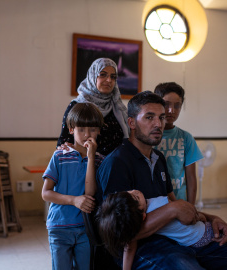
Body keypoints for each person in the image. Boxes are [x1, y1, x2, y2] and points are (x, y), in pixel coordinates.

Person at [96, 91, 227, 270]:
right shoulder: (116, 163)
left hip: (176, 237)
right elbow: (117, 233)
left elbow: (173, 202)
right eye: (149, 117)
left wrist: (212, 219)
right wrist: (171, 210)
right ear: (131, 122)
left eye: (161, 117)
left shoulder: (158, 157)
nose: (158, 124)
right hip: (141, 246)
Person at [42, 103, 105, 270]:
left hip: (86, 229)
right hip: (59, 227)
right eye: (81, 129)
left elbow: (90, 193)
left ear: (99, 130)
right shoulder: (59, 156)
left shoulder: (100, 161)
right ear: (71, 130)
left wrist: (91, 157)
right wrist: (74, 200)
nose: (87, 134)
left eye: (92, 129)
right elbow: (46, 193)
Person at [97, 190, 220, 270]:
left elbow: (129, 246)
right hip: (201, 237)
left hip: (195, 239)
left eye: (130, 192)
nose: (135, 191)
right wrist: (202, 217)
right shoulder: (162, 202)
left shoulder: (133, 221)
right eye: (136, 197)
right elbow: (189, 218)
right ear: (143, 217)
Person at [57, 57, 129, 156]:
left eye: (113, 77)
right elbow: (64, 142)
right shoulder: (77, 106)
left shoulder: (118, 108)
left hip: (116, 166)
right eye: (103, 75)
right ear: (93, 76)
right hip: (86, 166)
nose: (109, 80)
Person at [154, 82, 203, 204]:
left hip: (181, 202)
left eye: (177, 106)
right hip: (156, 203)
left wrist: (191, 208)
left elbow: (191, 178)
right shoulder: (148, 137)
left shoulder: (186, 138)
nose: (171, 110)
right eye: (166, 104)